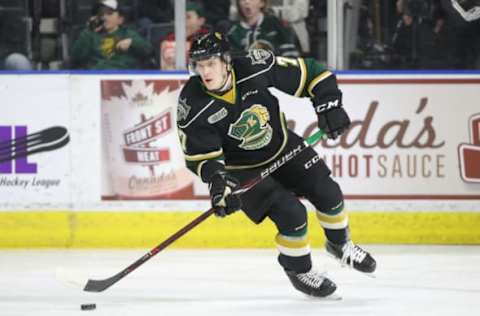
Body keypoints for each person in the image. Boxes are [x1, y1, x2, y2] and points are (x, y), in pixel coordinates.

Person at [176, 32, 376, 298]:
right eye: (199, 66)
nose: (204, 72)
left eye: (210, 63)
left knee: (328, 191)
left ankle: (341, 245)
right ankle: (299, 271)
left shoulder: (253, 66)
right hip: (242, 170)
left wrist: (329, 105)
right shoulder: (192, 103)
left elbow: (311, 73)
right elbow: (201, 156)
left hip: (283, 147)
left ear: (226, 61)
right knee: (292, 214)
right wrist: (219, 184)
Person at [70, 0, 153, 70]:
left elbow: (149, 50)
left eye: (109, 13)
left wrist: (132, 42)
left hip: (121, 78)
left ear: (120, 19)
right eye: (101, 13)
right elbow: (75, 57)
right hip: (95, 79)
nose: (104, 17)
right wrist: (89, 30)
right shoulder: (90, 35)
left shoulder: (128, 34)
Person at [227, 0, 299, 57]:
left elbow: (290, 56)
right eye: (242, 0)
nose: (247, 2)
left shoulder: (275, 24)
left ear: (262, 3)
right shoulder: (233, 33)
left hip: (278, 72)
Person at [160, 2, 210, 70]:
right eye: (179, 17)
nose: (182, 21)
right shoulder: (169, 38)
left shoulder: (208, 38)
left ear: (201, 21)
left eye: (188, 17)